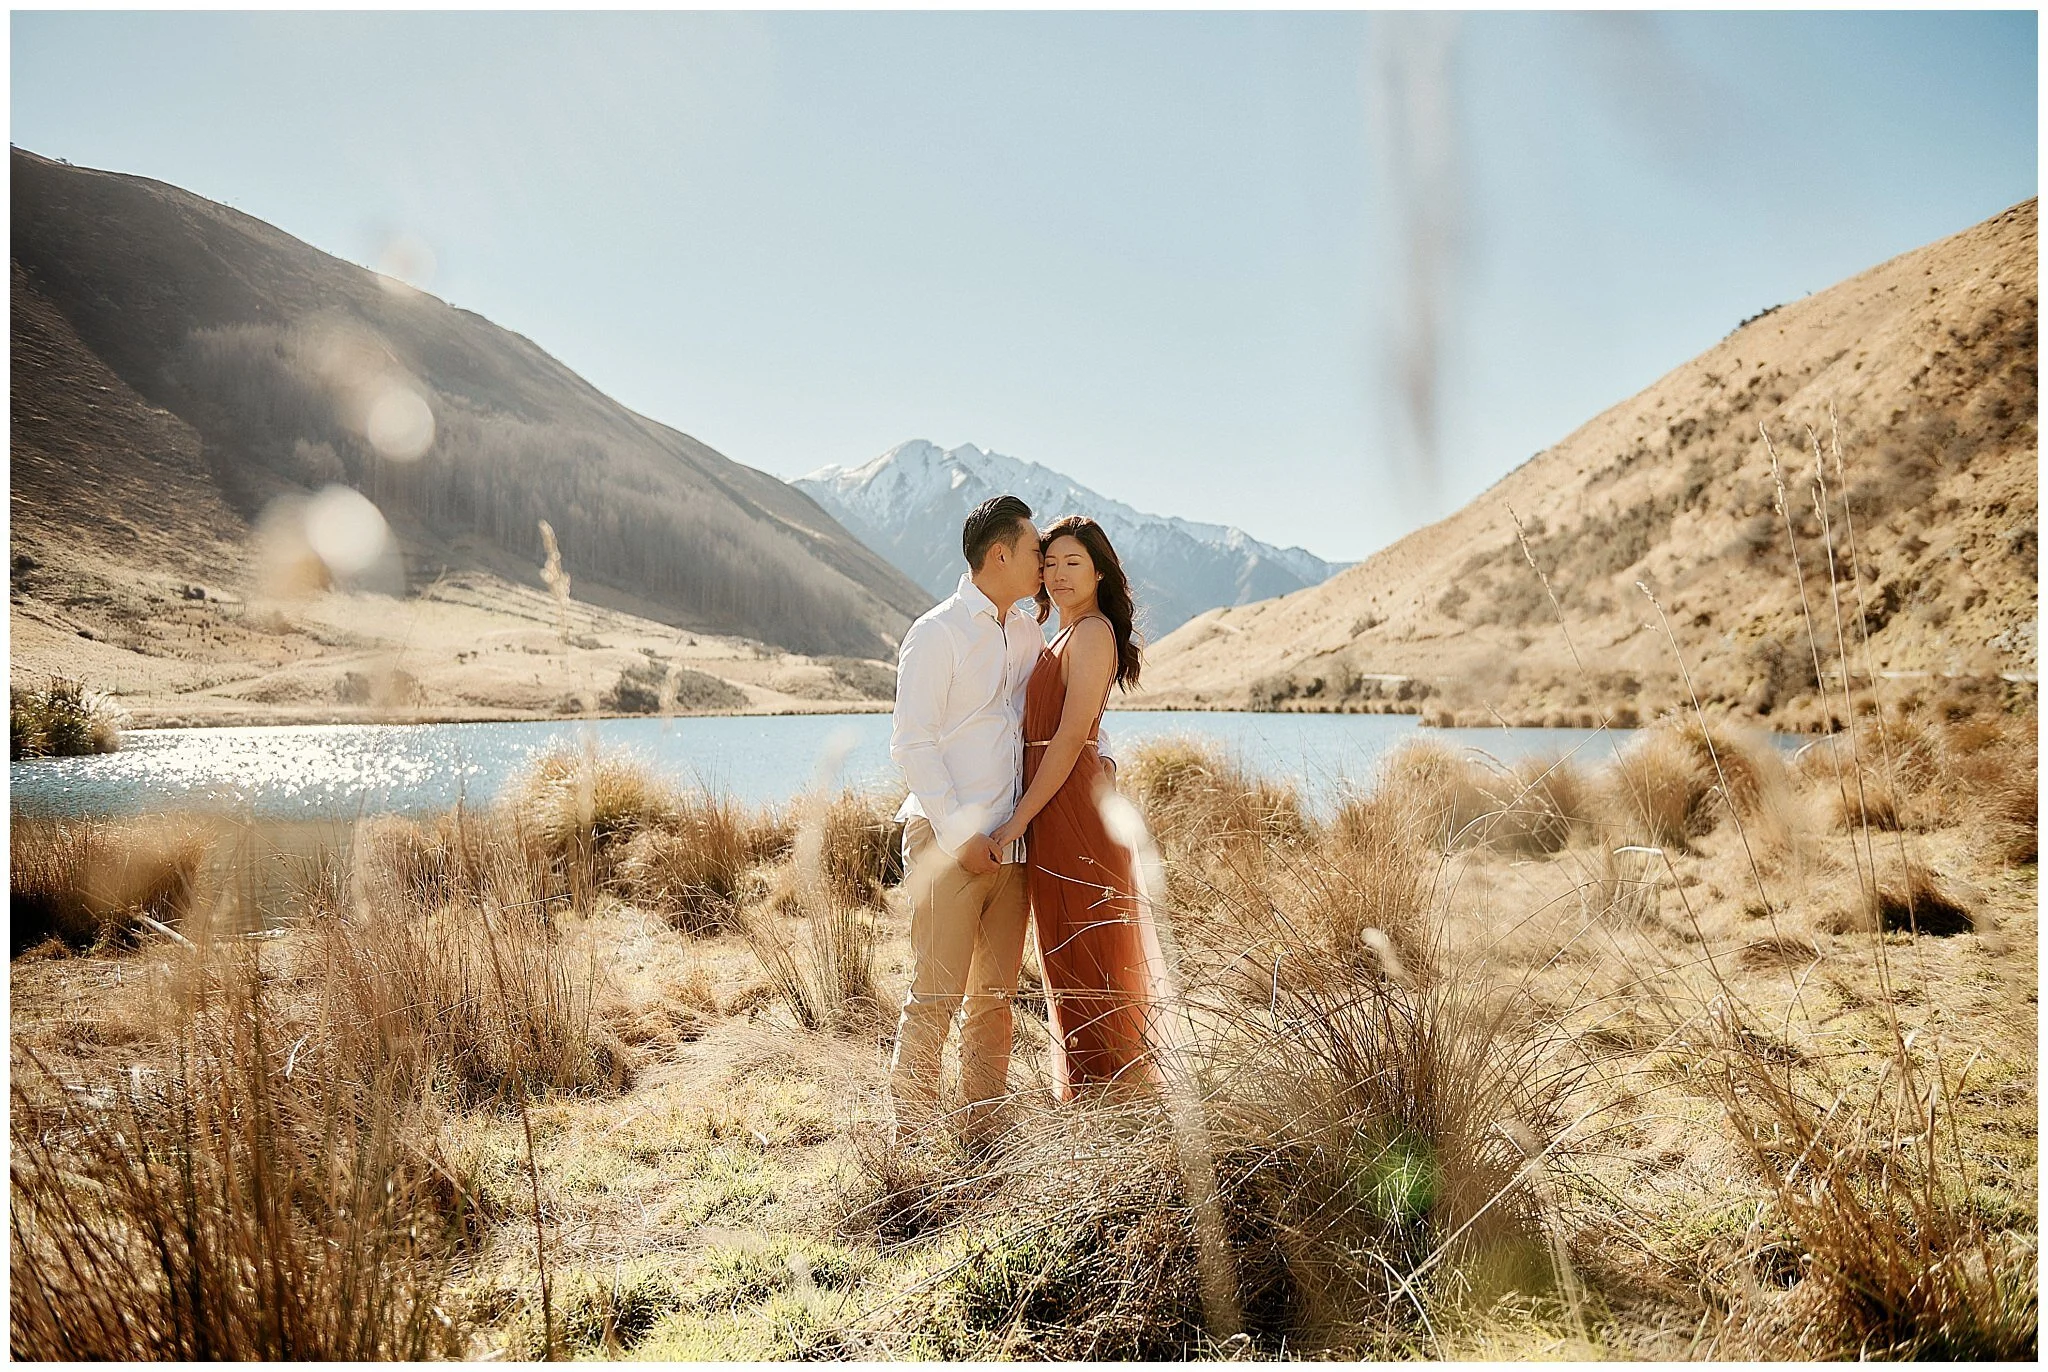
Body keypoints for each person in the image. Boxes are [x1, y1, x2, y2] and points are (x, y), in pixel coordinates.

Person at [988, 515, 1166, 1099]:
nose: (1059, 574)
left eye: (1073, 564)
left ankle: (1112, 1101)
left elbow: (1069, 740)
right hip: (1055, 799)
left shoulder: (1091, 633)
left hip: (1071, 809)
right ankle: (1094, 1100)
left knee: (1088, 954)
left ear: (1098, 572)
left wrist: (1017, 820)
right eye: (1051, 563)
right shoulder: (1057, 633)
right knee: (1064, 954)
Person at [885, 494, 1045, 1143]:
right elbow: (911, 743)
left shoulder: (1029, 629)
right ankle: (913, 1144)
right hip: (947, 842)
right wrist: (960, 836)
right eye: (1035, 551)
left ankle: (983, 1137)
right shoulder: (937, 631)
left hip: (1014, 845)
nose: (1043, 563)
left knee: (995, 1002)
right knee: (935, 997)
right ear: (999, 555)